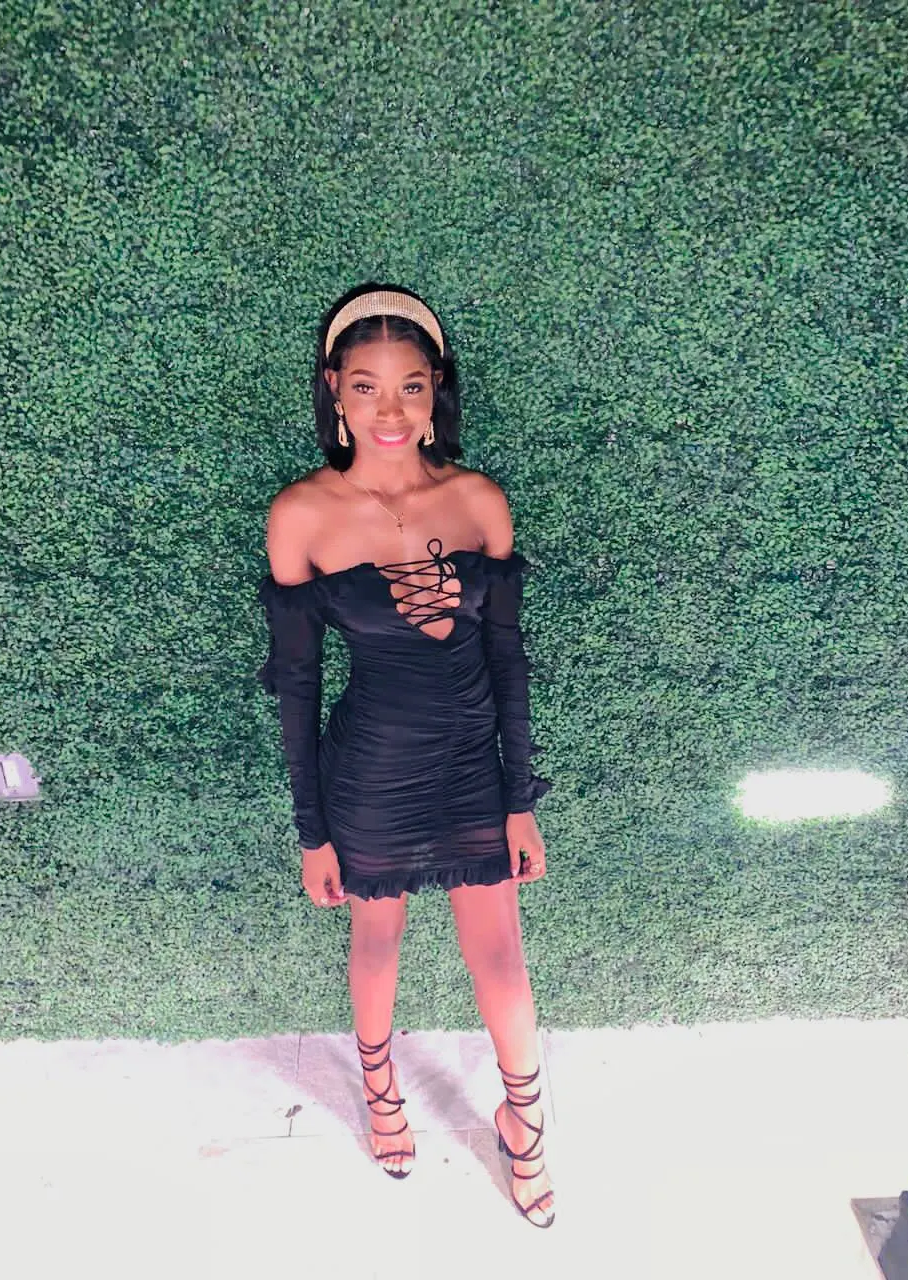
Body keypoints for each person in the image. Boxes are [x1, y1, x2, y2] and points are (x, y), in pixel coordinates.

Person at [256, 282, 555, 1228]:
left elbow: (508, 662)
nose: (390, 410)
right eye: (367, 387)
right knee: (377, 939)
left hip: (472, 766)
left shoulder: (478, 502)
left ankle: (526, 1123)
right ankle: (381, 1095)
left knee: (501, 956)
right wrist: (312, 831)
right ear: (335, 393)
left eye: (411, 387)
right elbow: (297, 686)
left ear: (435, 394)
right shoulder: (301, 515)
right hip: (370, 772)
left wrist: (519, 798)